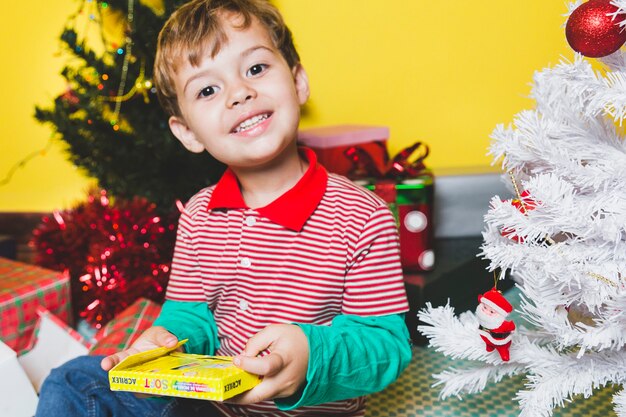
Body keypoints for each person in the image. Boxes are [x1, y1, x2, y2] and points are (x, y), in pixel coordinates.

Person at [35, 0, 412, 416]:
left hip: (310, 412)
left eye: (255, 69)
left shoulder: (363, 214)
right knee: (73, 380)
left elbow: (385, 346)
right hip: (214, 407)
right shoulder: (199, 215)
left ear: (299, 82)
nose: (239, 93)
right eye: (208, 90)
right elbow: (190, 318)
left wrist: (310, 355)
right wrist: (163, 340)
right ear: (188, 132)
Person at [476, 288, 515, 362]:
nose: (486, 312)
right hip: (485, 335)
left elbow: (511, 327)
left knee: (502, 347)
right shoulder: (482, 319)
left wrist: (510, 328)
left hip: (499, 342)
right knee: (487, 340)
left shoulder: (501, 324)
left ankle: (504, 352)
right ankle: (489, 345)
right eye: (484, 307)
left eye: (491, 311)